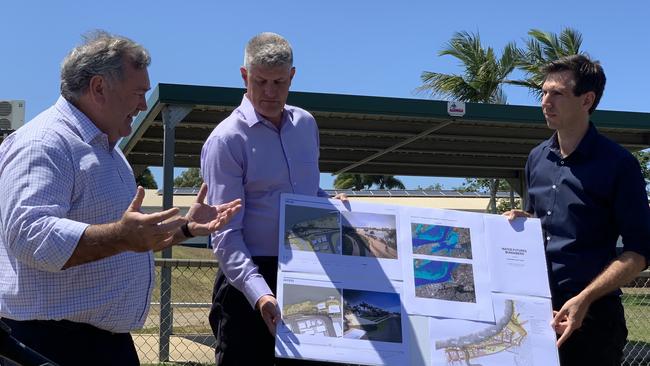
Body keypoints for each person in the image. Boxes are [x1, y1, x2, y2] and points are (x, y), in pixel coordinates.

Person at [0, 31, 241, 366]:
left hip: (100, 346)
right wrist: (121, 236)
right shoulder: (44, 143)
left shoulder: (110, 153)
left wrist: (185, 229)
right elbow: (29, 235)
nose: (143, 104)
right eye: (138, 93)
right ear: (99, 88)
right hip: (49, 345)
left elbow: (126, 241)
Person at [201, 32, 345, 365]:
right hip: (249, 282)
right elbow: (224, 234)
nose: (269, 92)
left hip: (308, 273)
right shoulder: (226, 140)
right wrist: (260, 293)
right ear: (243, 75)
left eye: (279, 82)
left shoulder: (306, 125)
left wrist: (333, 205)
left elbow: (306, 194)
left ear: (292, 76)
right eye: (260, 81)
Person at [504, 54, 650, 366]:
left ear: (587, 100)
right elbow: (538, 229)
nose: (546, 102)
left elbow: (639, 252)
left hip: (594, 321)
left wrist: (584, 299)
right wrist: (522, 223)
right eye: (543, 92)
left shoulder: (619, 164)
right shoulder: (536, 159)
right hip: (535, 316)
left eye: (557, 93)